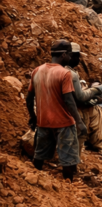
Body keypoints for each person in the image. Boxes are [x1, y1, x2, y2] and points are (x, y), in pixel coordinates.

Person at [26, 40, 86, 181]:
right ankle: (69, 188)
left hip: (43, 122)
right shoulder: (65, 74)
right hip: (64, 123)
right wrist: (79, 122)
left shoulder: (37, 70)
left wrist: (33, 117)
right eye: (69, 55)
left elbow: (29, 99)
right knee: (68, 160)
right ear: (64, 55)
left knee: (39, 156)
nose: (70, 58)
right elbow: (69, 101)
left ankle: (34, 183)